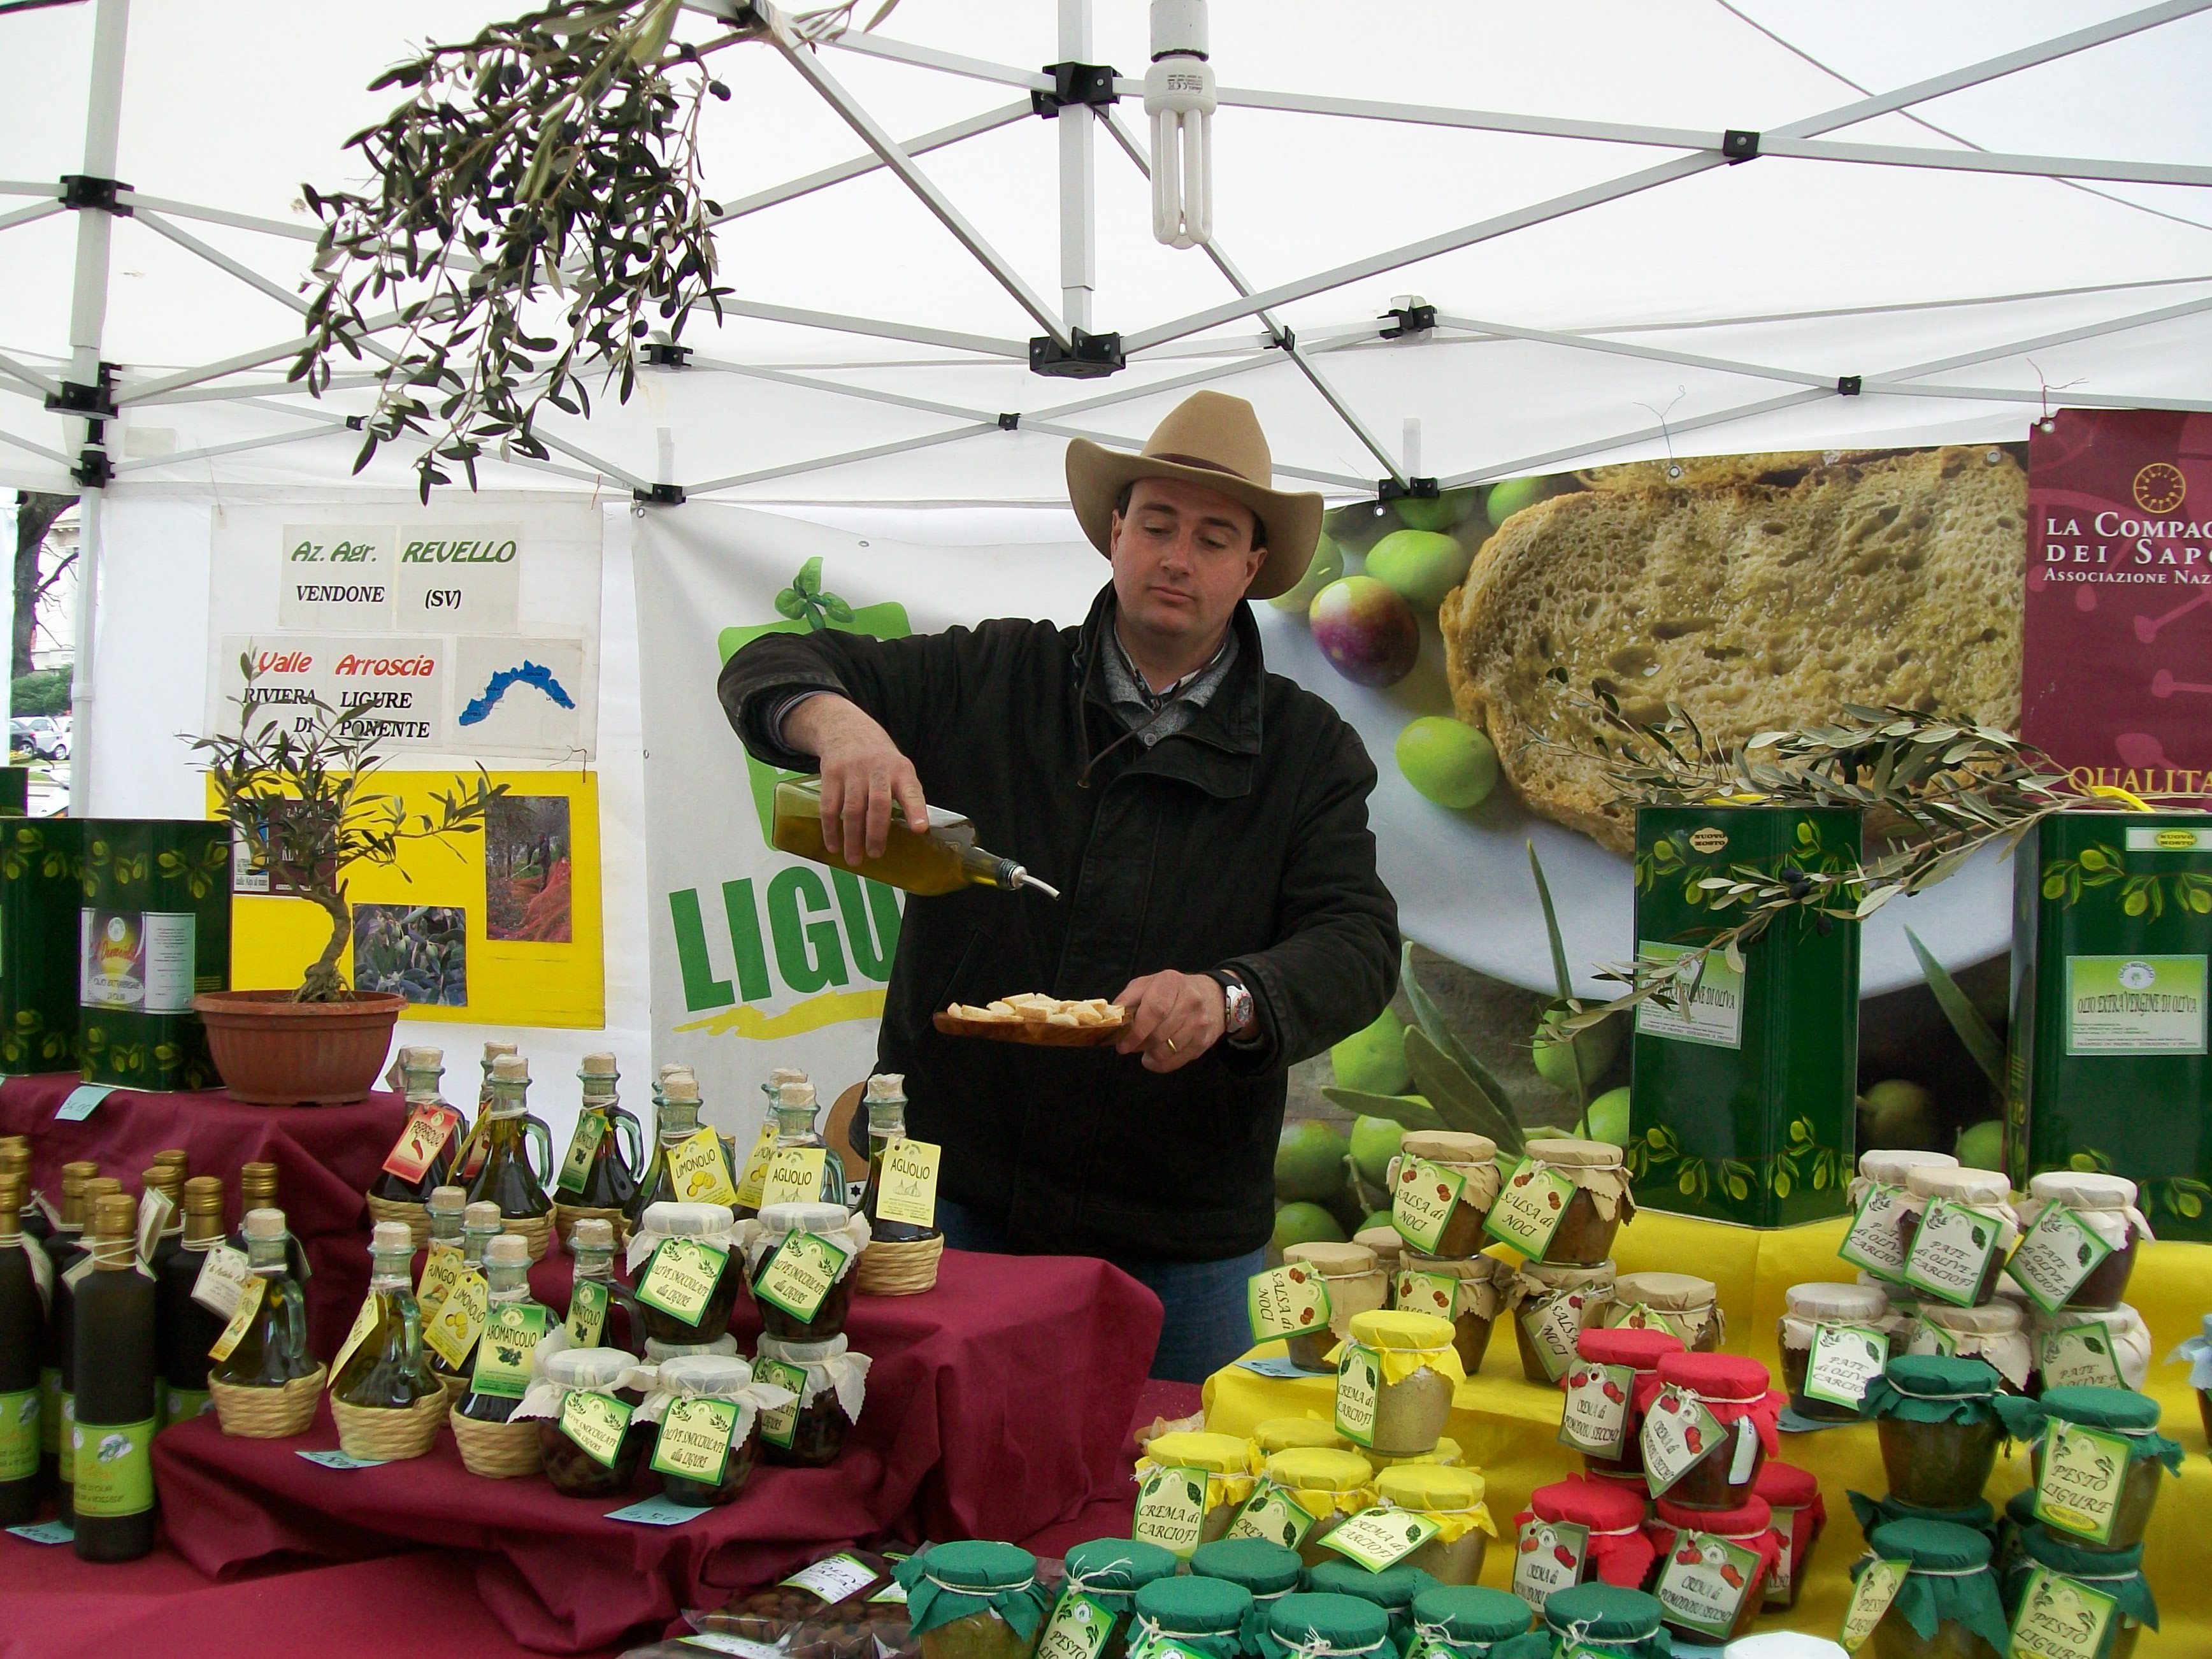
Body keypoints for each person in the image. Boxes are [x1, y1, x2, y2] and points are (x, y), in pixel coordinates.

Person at [719, 390, 1400, 1382]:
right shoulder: (996, 672)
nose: (1178, 556)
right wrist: (841, 725)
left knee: (1168, 1496)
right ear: (1114, 534)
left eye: (1214, 538)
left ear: (1251, 570)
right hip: (951, 1200)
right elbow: (768, 662)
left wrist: (1229, 997)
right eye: (1156, 524)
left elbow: (1359, 942)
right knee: (941, 1481)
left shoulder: (1308, 750)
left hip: (1185, 1236)